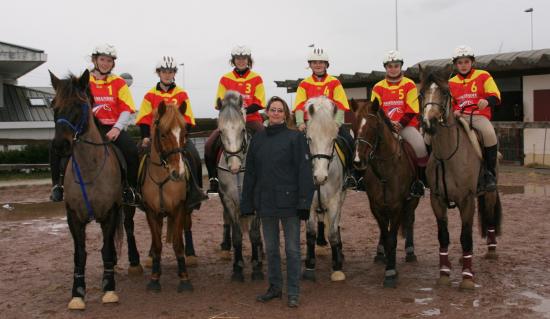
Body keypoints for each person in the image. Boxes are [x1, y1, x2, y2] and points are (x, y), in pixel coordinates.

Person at [240, 96, 314, 308]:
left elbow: (304, 171)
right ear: (267, 113)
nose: (275, 113)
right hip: (266, 203)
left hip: (290, 204)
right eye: (272, 110)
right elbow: (251, 174)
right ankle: (274, 288)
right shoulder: (258, 140)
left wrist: (304, 202)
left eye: (280, 110)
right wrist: (247, 203)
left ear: (286, 114)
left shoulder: (296, 138)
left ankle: (292, 291)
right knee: (271, 250)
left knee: (292, 250)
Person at [50, 44, 140, 205]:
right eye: (102, 59)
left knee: (132, 151)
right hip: (88, 128)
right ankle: (58, 186)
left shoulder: (119, 83)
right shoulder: (82, 81)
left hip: (113, 127)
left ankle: (130, 189)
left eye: (109, 61)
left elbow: (127, 109)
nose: (106, 63)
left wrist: (117, 128)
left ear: (113, 63)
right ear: (95, 60)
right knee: (56, 147)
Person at [135, 56, 208, 211]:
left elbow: (188, 118)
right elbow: (144, 118)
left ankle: (195, 191)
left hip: (177, 138)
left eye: (170, 71)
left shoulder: (182, 94)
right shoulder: (150, 95)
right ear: (158, 73)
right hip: (156, 140)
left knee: (193, 155)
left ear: (174, 73)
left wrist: (183, 137)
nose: (167, 74)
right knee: (137, 156)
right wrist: (145, 137)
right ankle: (136, 191)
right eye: (164, 71)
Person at [292, 47, 359, 190]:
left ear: (326, 64)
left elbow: (341, 105)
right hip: (310, 126)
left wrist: (337, 123)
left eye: (321, 62)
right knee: (293, 146)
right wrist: (299, 123)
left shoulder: (334, 82)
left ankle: (350, 174)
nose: (318, 65)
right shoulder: (304, 84)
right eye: (314, 62)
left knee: (349, 141)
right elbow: (298, 105)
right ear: (310, 64)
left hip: (330, 125)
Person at [204, 45, 266, 194]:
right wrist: (232, 113)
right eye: (238, 59)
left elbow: (259, 102)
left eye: (244, 58)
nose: (241, 61)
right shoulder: (225, 79)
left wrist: (243, 110)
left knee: (266, 140)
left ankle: (267, 176)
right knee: (209, 144)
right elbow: (219, 102)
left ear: (248, 60)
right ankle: (214, 179)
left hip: (251, 119)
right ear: (234, 60)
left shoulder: (256, 78)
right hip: (230, 121)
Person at [371, 50, 429, 197]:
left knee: (421, 147)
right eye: (390, 66)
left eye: (396, 65)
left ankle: (420, 182)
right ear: (385, 68)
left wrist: (401, 124)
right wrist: (387, 123)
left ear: (401, 66)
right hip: (384, 127)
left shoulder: (409, 84)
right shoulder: (378, 87)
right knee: (365, 145)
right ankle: (361, 179)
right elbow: (375, 109)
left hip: (406, 126)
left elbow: (412, 108)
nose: (393, 68)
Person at [448, 45, 501, 193]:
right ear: (455, 65)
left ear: (472, 62)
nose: (463, 65)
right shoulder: (451, 82)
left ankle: (489, 173)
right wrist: (454, 111)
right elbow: (449, 104)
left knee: (489, 134)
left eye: (466, 62)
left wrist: (487, 101)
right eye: (460, 62)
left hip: (478, 116)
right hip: (459, 116)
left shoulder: (483, 75)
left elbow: (495, 95)